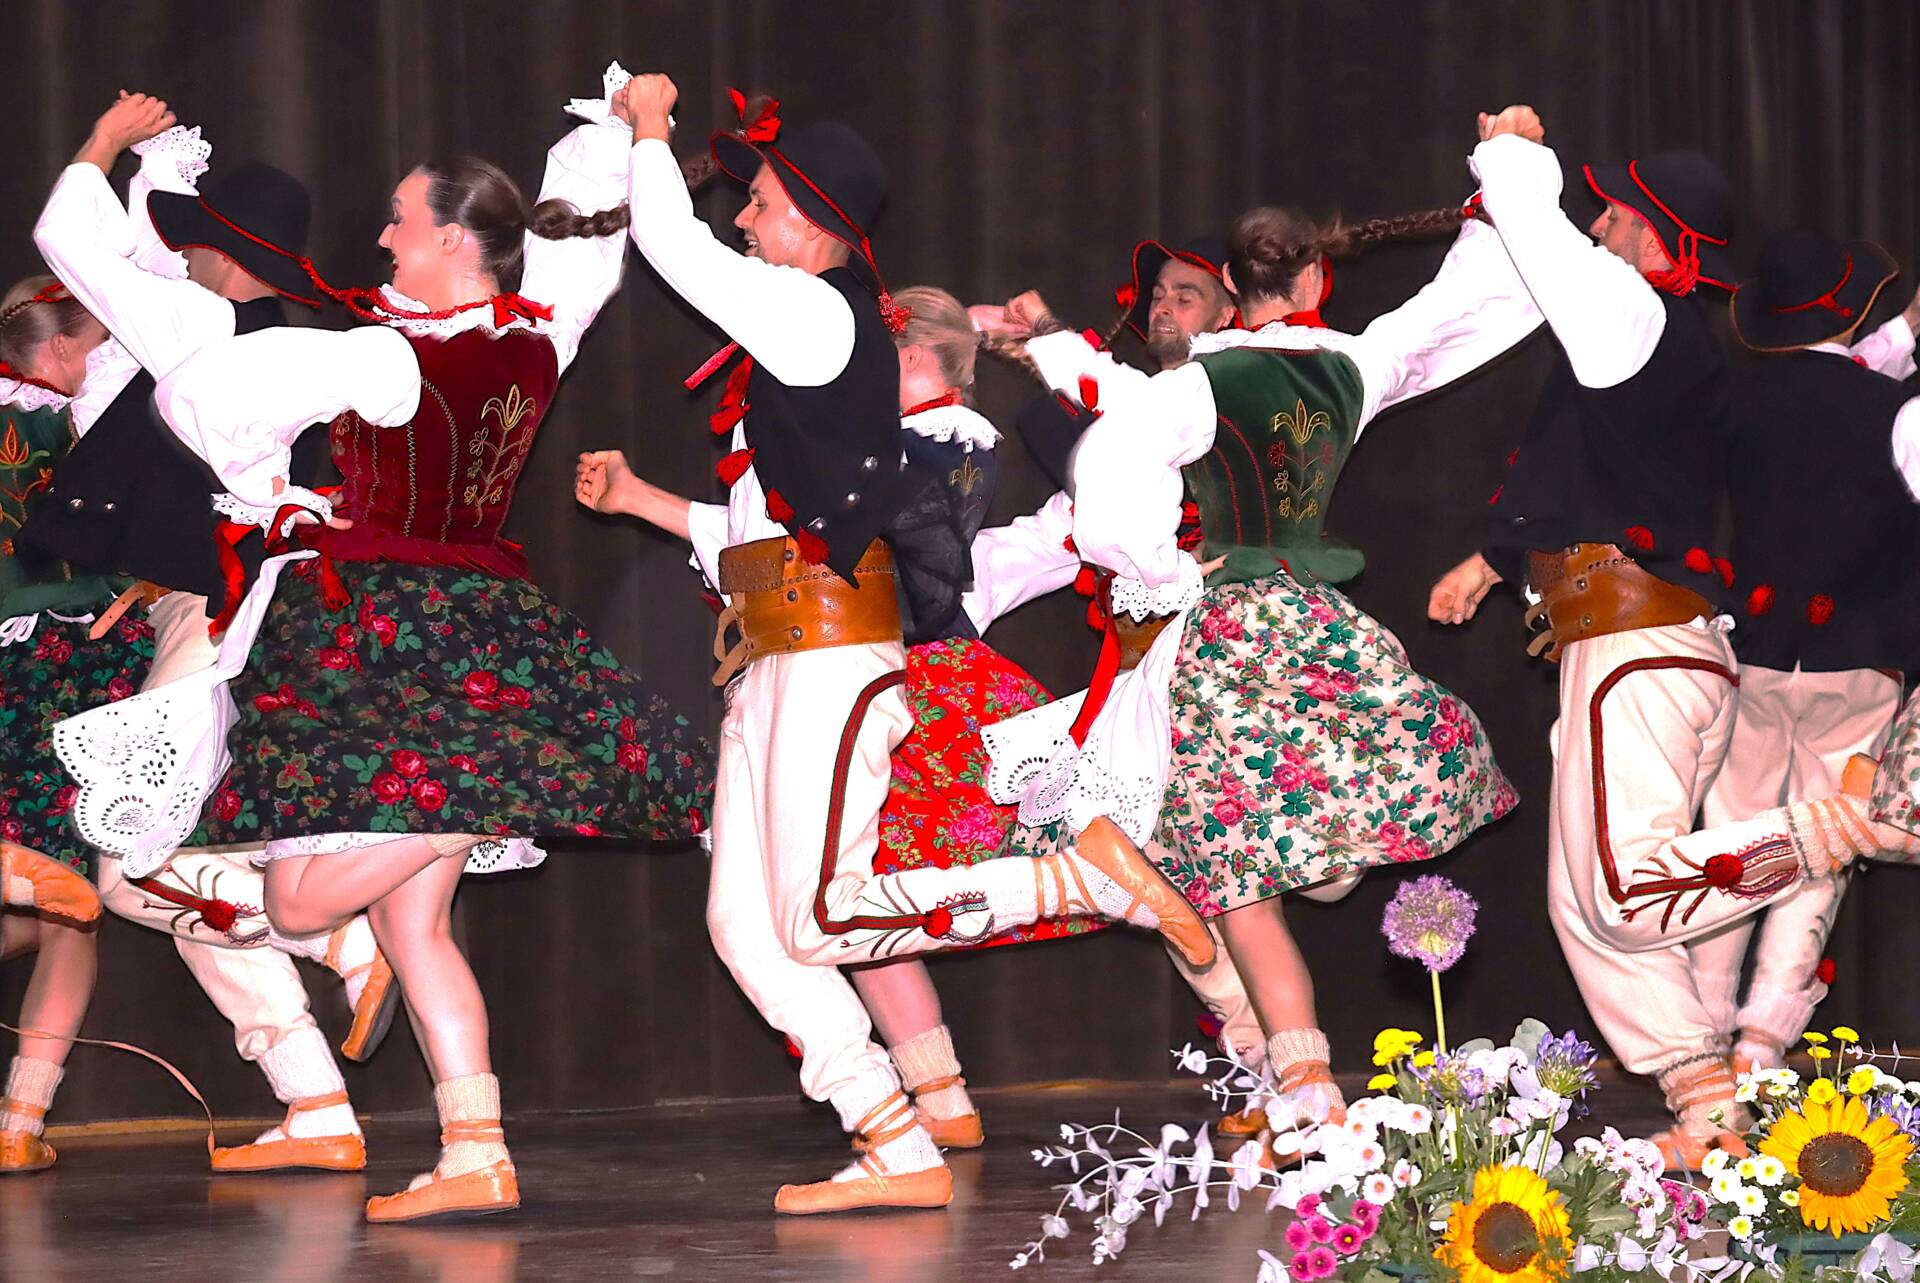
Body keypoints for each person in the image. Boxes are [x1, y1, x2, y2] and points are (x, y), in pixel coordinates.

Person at [52, 66, 713, 1222]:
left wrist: (265, 480)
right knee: (414, 925)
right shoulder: (540, 331)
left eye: (401, 220)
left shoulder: (384, 356)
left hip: (381, 629)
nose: (381, 236)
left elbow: (204, 403)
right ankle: (476, 1149)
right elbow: (581, 239)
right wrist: (611, 143)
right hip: (486, 622)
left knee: (303, 904)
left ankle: (466, 802)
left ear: (453, 238)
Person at [615, 71, 1209, 1214]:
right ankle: (891, 1137)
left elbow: (673, 246)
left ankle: (1069, 876)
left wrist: (649, 127)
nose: (745, 220)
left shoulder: (815, 312)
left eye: (761, 203)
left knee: (823, 912)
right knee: (746, 924)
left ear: (814, 222)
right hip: (776, 652)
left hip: (829, 653)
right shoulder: (810, 329)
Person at [975, 159, 1547, 1140]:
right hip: (1320, 623)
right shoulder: (1356, 363)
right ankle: (1304, 999)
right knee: (1257, 843)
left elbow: (1111, 455)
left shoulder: (1199, 381)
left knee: (1238, 877)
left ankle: (1308, 1085)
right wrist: (1505, 200)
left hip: (1229, 630)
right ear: (1317, 278)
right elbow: (1456, 310)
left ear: (1233, 289)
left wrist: (1159, 565)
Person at [1422, 106, 1907, 1169]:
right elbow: (1589, 472)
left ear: (1655, 235)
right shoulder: (1649, 338)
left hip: (1636, 642)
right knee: (1585, 901)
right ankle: (1707, 1101)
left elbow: (1542, 242)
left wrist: (1513, 151)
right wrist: (1494, 562)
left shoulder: (1636, 313)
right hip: (1631, 639)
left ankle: (1832, 828)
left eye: (1613, 214)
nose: (1597, 226)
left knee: (1624, 886)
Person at [23, 93, 392, 1172]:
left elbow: (68, 240)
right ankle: (314, 1101)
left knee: (135, 864)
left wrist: (103, 144)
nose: (176, 259)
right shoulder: (313, 346)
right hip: (278, 616)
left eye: (191, 244)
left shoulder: (204, 328)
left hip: (223, 613)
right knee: (196, 863)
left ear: (221, 256)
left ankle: (335, 938)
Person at [1685, 229, 1920, 1076]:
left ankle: (1703, 1027)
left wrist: (1902, 336)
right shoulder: (1893, 410)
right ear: (1852, 312)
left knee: (1733, 831)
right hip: (1858, 655)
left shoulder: (1732, 398)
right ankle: (1761, 1037)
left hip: (1751, 649)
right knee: (1825, 840)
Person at [0, 278, 113, 1173]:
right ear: (64, 347)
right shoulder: (78, 424)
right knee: (75, 909)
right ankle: (18, 1121)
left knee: (54, 901)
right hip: (60, 667)